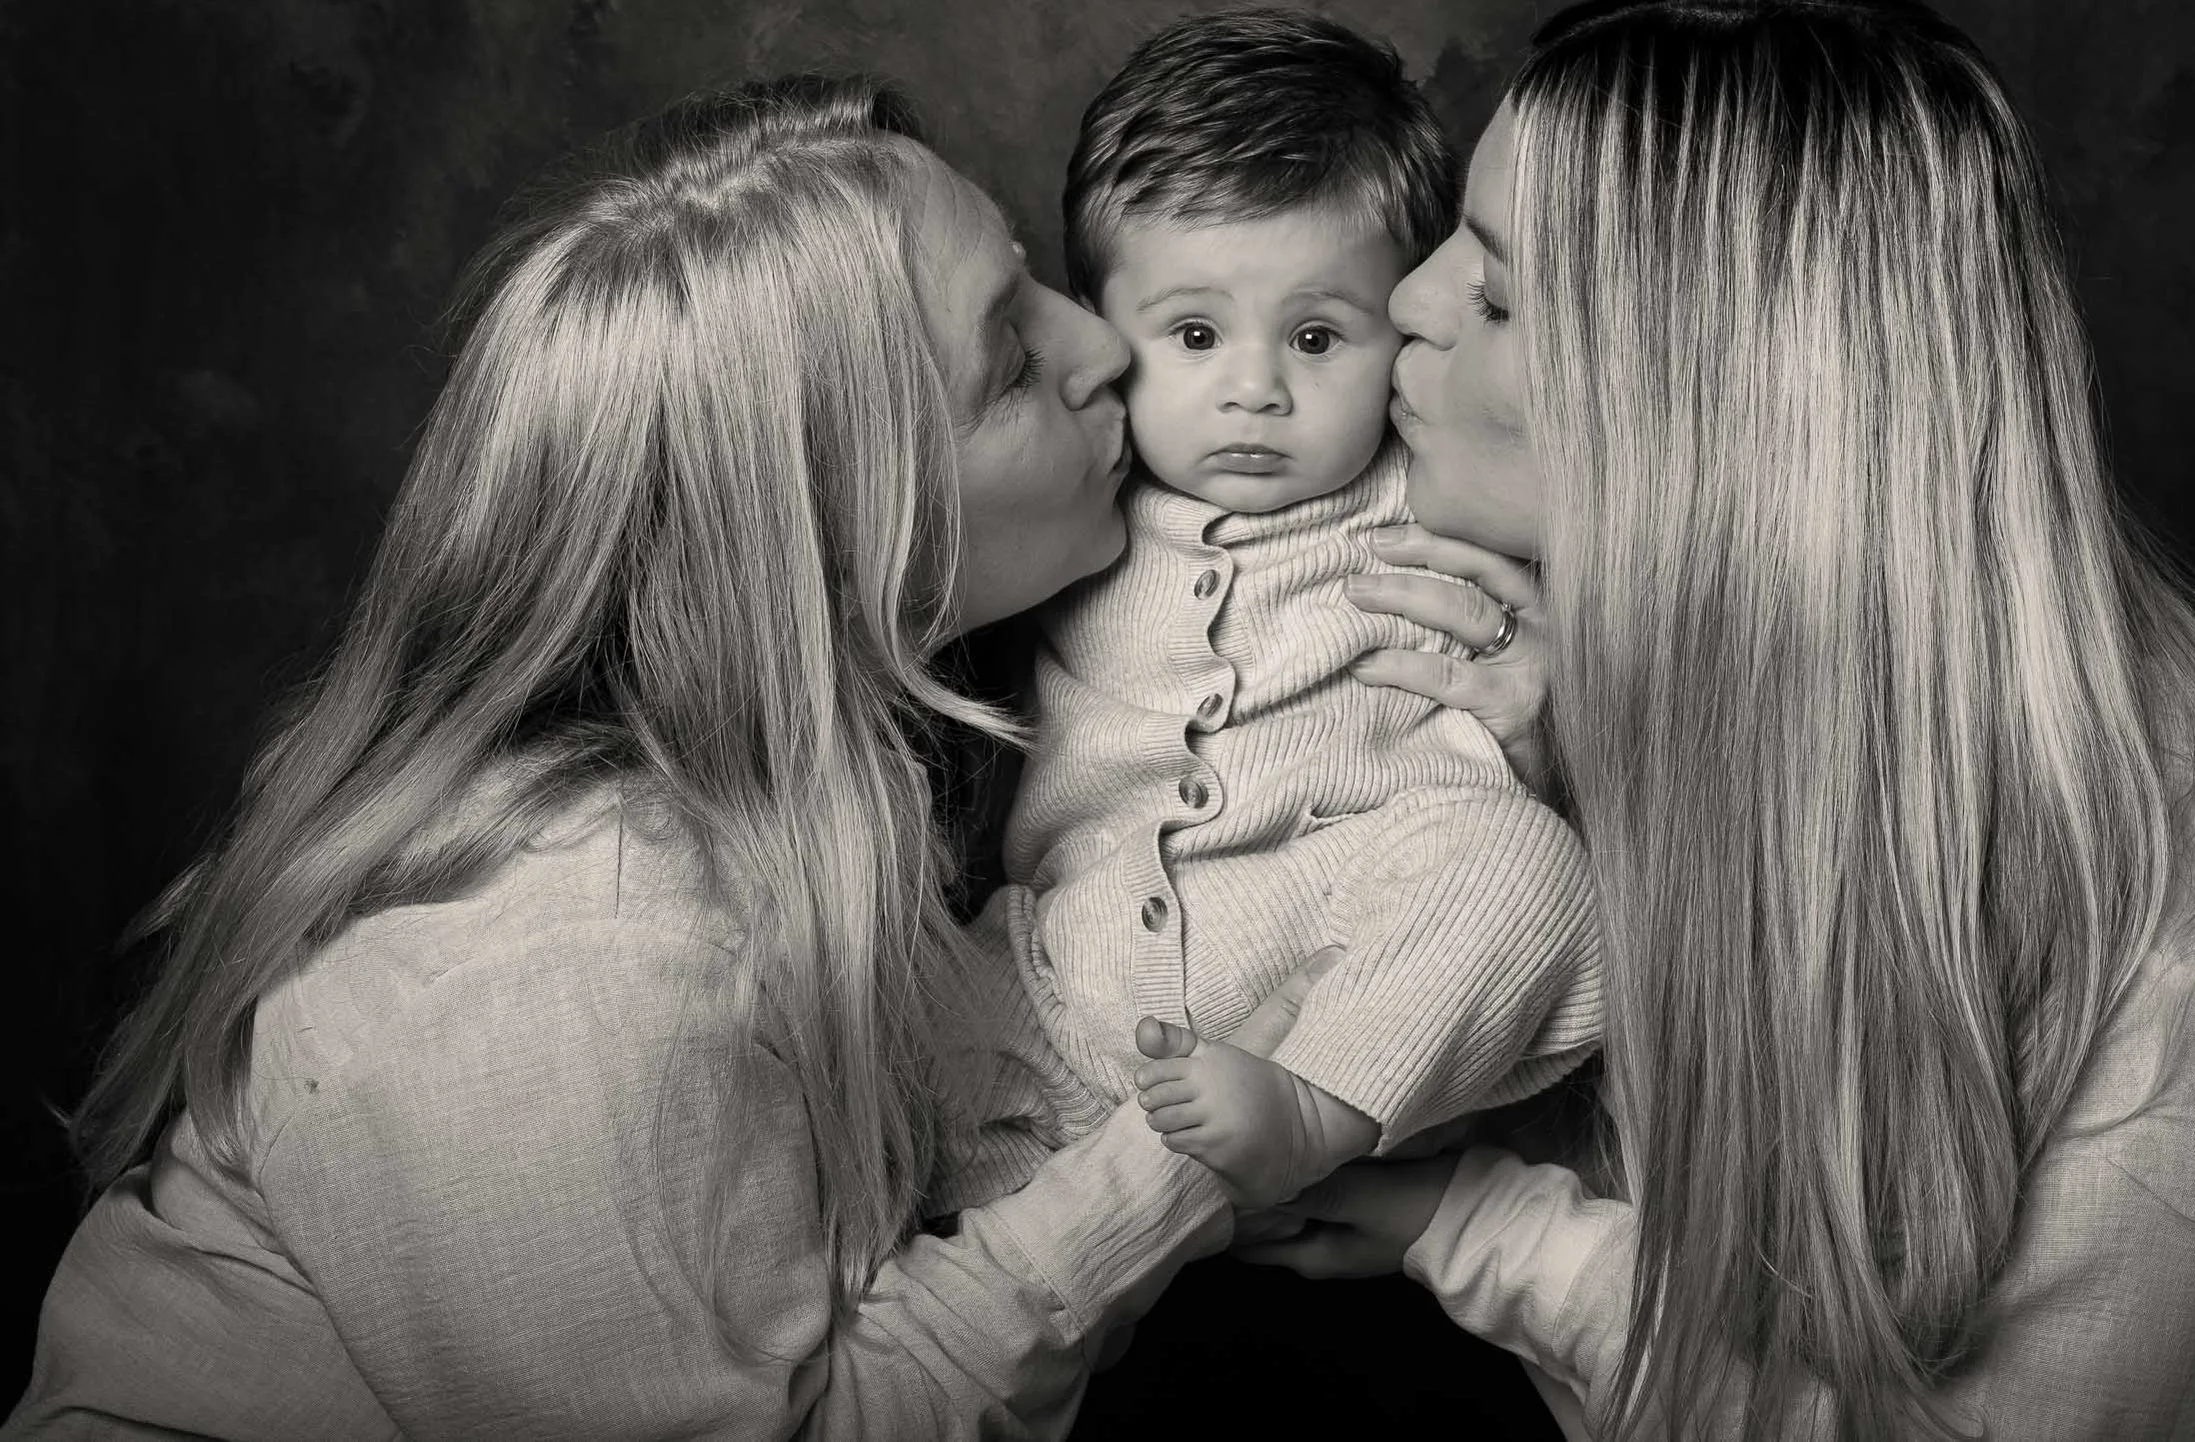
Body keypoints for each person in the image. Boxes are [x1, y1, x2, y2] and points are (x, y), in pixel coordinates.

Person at [1237, 0, 2195, 1439]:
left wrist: (1479, 1226)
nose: (1403, 303)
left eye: (1499, 293)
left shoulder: (2168, 961)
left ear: (1707, 415)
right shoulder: (1612, 678)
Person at [9, 73, 1344, 1439]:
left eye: (1031, 279)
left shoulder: (814, 784)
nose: (1104, 347)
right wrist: (1212, 1137)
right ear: (831, 532)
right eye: (1007, 358)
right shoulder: (555, 955)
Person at [934, 8, 1601, 1217]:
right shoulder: (1067, 497)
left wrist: (1555, 744)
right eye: (1193, 334)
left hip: (1321, 934)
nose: (1255, 389)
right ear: (1101, 328)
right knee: (877, 1017)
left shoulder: (1445, 496)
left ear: (1400, 322)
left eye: (1314, 336)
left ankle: (1317, 1106)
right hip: (1063, 971)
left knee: (1519, 867)